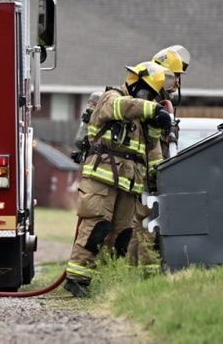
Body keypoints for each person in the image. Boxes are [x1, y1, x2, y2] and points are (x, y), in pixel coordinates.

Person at [64, 61, 174, 297]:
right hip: (102, 178)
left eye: (153, 97)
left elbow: (149, 147)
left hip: (128, 183)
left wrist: (156, 125)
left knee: (122, 235)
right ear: (137, 84)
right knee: (96, 226)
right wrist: (152, 110)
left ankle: (105, 280)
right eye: (147, 93)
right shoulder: (111, 97)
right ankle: (76, 279)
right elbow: (122, 107)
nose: (149, 99)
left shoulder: (141, 112)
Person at [126, 47, 189, 273]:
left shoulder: (160, 101)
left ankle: (131, 271)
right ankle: (147, 273)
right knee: (146, 222)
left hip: (151, 169)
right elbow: (149, 144)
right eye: (174, 77)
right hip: (146, 171)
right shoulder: (151, 102)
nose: (177, 83)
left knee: (141, 223)